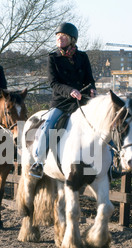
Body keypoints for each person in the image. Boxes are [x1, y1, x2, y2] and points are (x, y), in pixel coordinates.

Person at [29, 22, 97, 178]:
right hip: (61, 102)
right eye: (58, 36)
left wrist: (92, 89)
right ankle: (39, 162)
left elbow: (89, 79)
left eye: (63, 36)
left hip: (82, 100)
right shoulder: (53, 58)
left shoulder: (83, 57)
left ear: (72, 39)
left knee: (102, 122)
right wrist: (70, 91)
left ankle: (112, 162)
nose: (59, 38)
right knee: (49, 125)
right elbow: (53, 83)